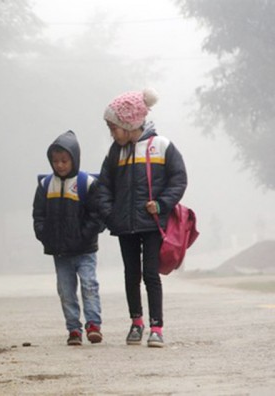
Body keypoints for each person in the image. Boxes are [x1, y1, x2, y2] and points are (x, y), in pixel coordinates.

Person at [97, 89, 187, 348]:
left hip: (152, 225)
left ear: (128, 123)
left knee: (150, 274)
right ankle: (136, 322)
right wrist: (110, 214)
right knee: (131, 274)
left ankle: (156, 327)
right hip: (124, 225)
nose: (111, 133)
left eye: (113, 127)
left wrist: (161, 204)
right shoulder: (116, 153)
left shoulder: (162, 146)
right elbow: (103, 186)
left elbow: (178, 179)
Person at [32, 130, 104, 346]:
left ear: (74, 159)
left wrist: (84, 235)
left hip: (85, 250)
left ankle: (93, 324)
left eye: (64, 160)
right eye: (55, 161)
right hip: (60, 252)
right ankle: (73, 328)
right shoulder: (45, 185)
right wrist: (44, 235)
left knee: (89, 285)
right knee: (65, 290)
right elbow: (38, 215)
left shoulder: (87, 183)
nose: (60, 165)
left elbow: (97, 215)